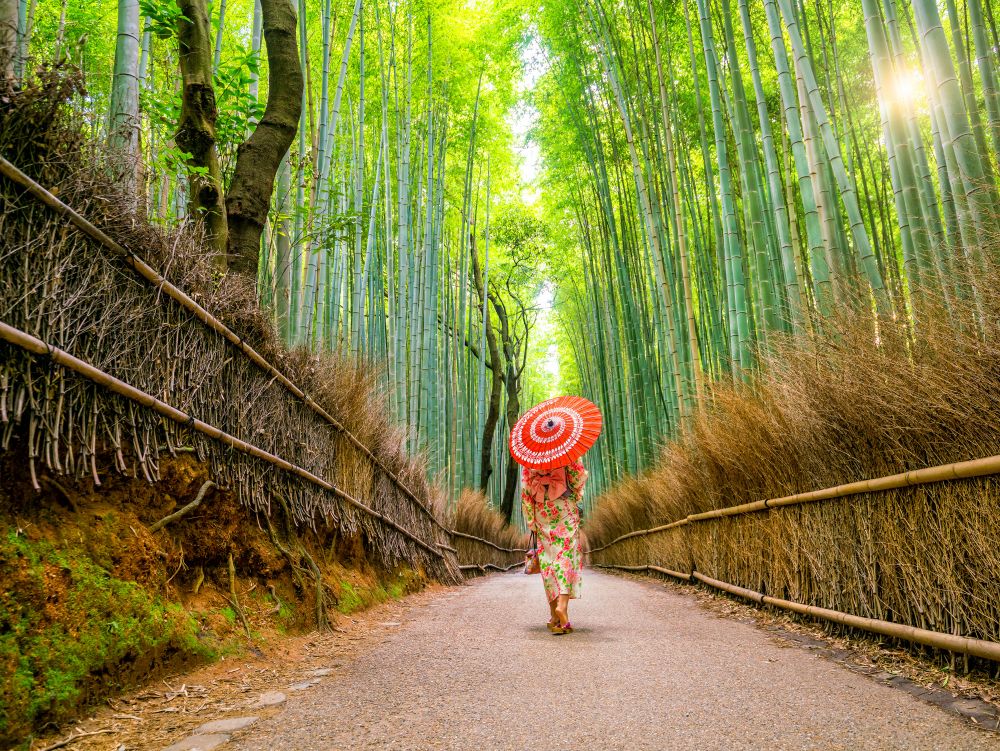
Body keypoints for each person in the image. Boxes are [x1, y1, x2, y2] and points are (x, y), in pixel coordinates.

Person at [520, 460, 588, 635]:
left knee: (547, 558)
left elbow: (526, 490)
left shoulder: (531, 455)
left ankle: (553, 615)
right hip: (564, 507)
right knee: (565, 553)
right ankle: (562, 606)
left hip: (542, 509)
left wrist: (531, 519)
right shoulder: (566, 452)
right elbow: (578, 478)